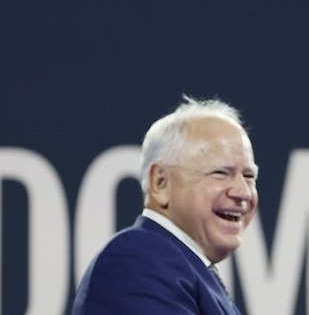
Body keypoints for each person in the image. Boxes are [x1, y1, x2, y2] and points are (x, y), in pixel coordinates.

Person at [72, 97, 259, 314]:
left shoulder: (188, 269)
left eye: (249, 176)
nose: (242, 192)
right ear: (160, 182)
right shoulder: (138, 261)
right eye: (220, 173)